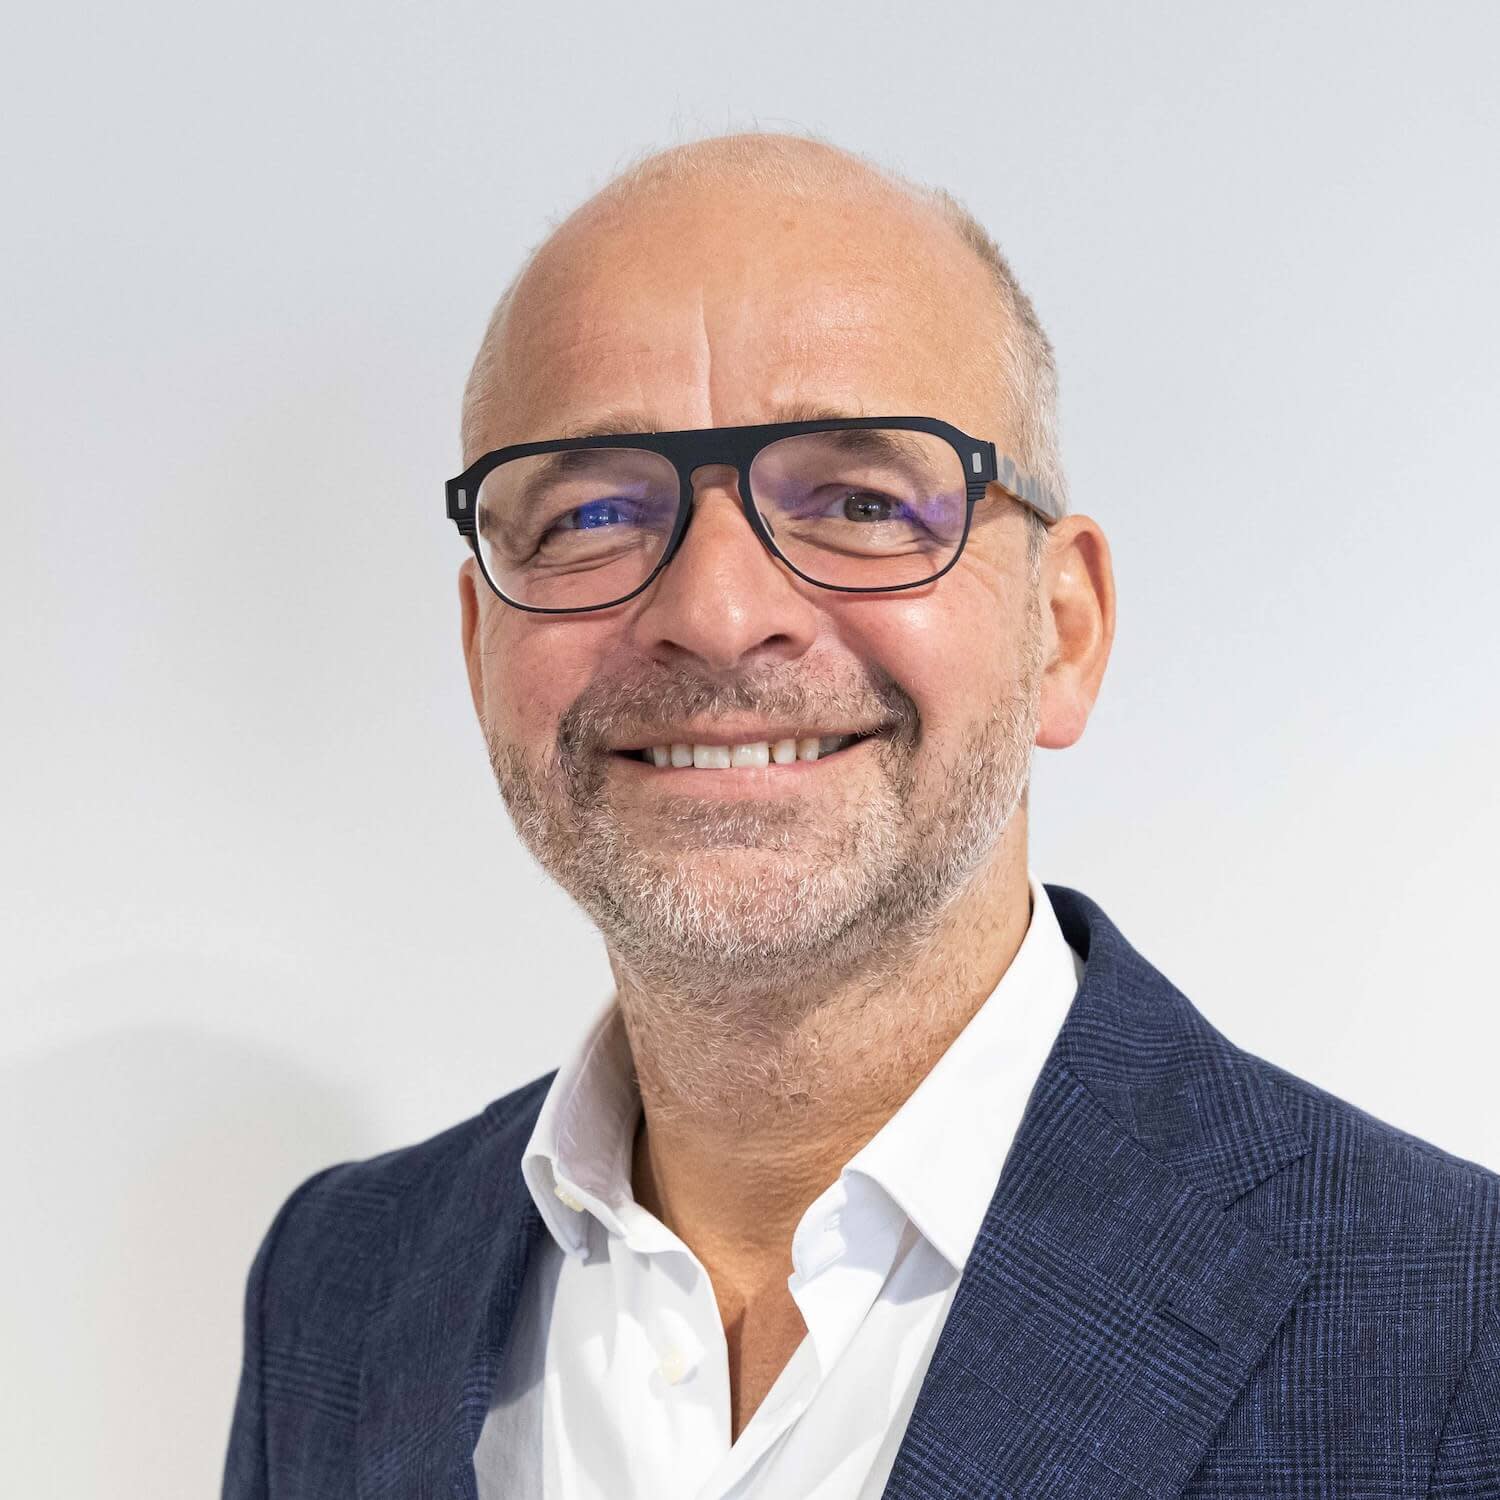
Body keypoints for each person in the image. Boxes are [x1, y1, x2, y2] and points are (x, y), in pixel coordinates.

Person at [221, 132, 1500, 1499]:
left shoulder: (1451, 1332)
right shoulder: (338, 1286)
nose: (717, 612)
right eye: (591, 514)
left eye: (861, 502)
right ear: (483, 646)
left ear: (1062, 630)